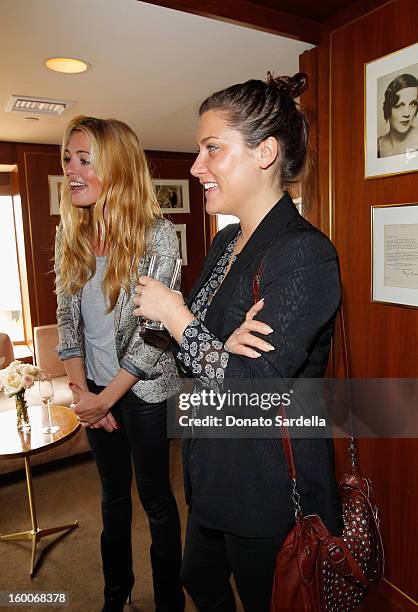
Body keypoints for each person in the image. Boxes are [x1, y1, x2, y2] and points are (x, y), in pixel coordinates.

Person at [133, 73, 344, 611]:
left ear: (265, 153)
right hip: (210, 469)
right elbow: (196, 357)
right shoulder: (227, 240)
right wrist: (208, 339)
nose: (196, 166)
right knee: (199, 580)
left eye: (212, 149)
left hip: (266, 484)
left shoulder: (304, 254)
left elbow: (249, 385)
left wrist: (179, 317)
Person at [54, 116, 185, 612]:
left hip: (144, 393)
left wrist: (107, 398)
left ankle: (169, 600)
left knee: (155, 501)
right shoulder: (73, 235)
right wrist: (84, 394)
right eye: (69, 158)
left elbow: (155, 332)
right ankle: (116, 596)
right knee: (112, 501)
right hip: (94, 394)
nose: (72, 169)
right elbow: (67, 323)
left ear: (118, 167)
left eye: (85, 160)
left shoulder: (158, 236)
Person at [378, 73, 418, 158]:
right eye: (400, 105)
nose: (407, 114)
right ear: (388, 109)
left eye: (412, 104)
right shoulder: (378, 145)